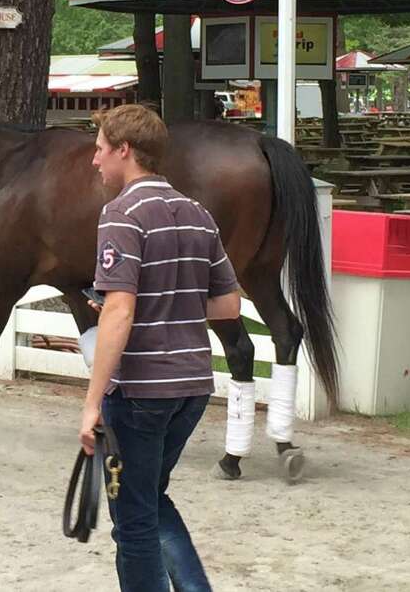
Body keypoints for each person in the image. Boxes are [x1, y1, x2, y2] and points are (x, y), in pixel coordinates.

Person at [79, 104, 241, 592]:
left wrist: (92, 402)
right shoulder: (198, 214)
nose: (95, 160)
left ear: (124, 151)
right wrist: (170, 305)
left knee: (132, 522)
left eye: (101, 149)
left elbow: (121, 311)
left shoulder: (121, 214)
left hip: (141, 390)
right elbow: (228, 304)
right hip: (191, 385)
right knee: (149, 498)